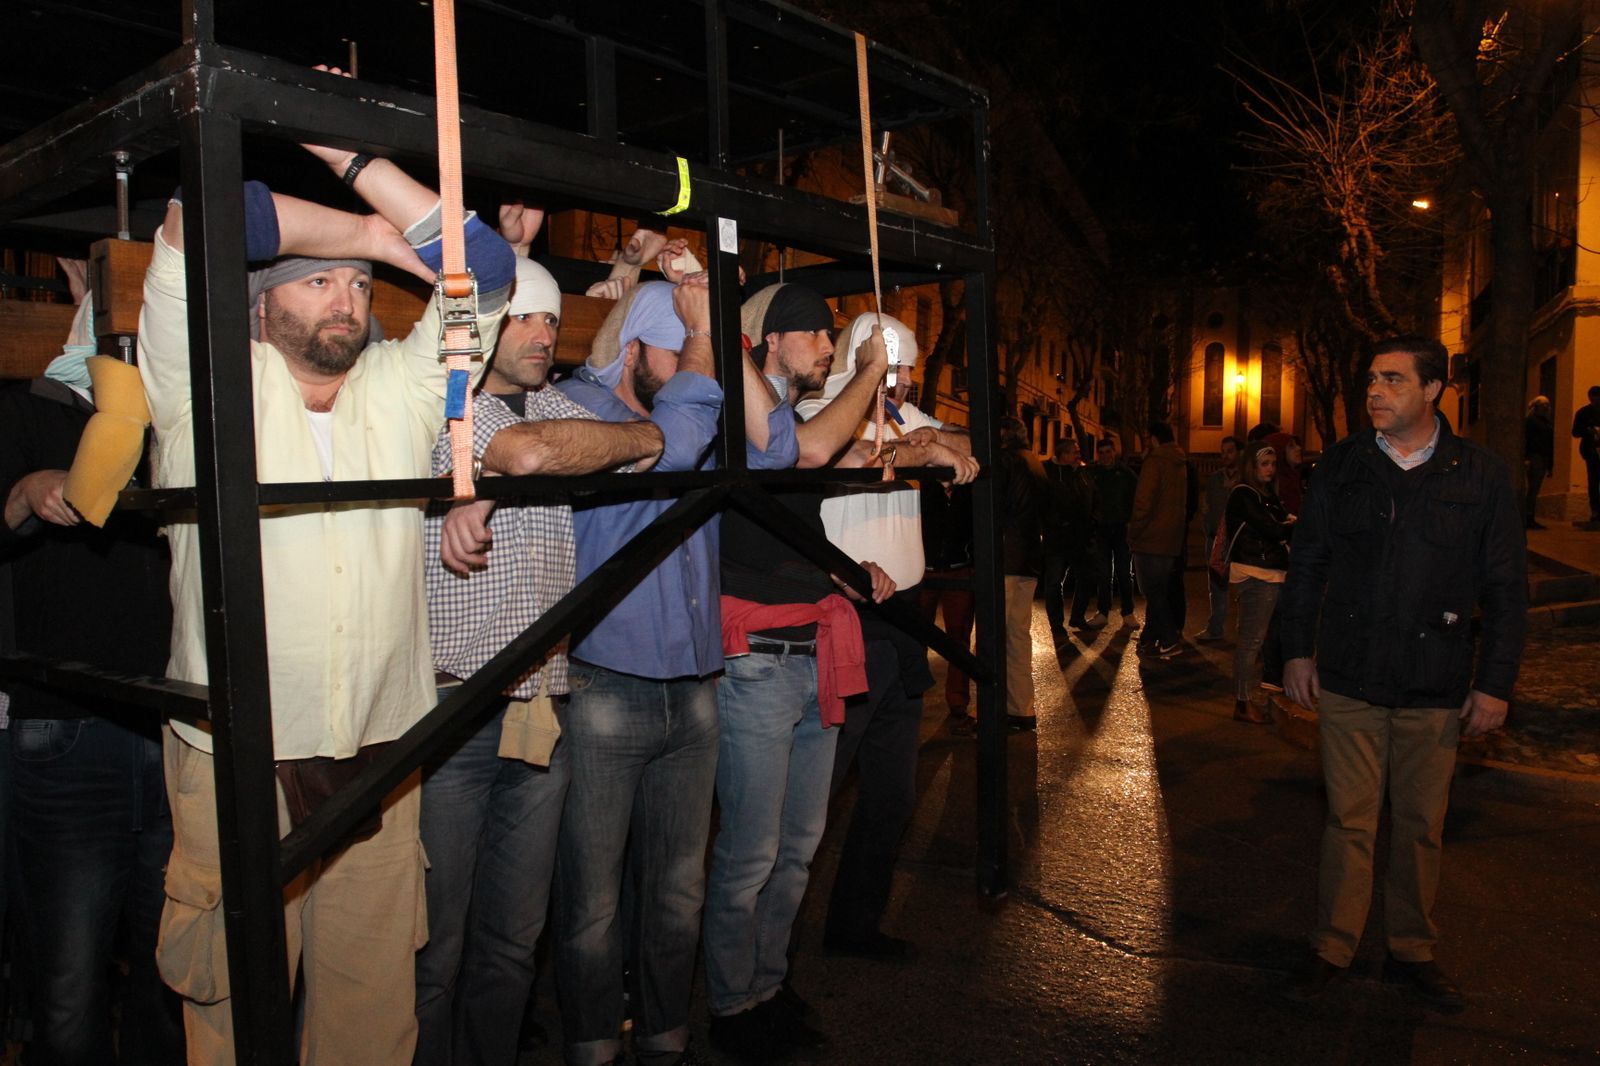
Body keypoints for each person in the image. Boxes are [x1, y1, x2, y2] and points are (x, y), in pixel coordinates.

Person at [138, 137, 517, 1064]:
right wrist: (370, 237)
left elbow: (491, 269)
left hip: (382, 747)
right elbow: (199, 218)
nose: (347, 300)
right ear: (260, 303)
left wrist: (354, 157)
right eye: (317, 284)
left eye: (357, 287)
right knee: (231, 1007)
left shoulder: (400, 386)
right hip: (236, 753)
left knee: (370, 1010)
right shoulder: (204, 382)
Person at [415, 207, 669, 1066]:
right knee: (435, 949)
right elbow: (522, 452)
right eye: (524, 315)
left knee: (512, 943)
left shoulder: (561, 404)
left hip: (543, 706)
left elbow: (644, 442)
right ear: (486, 323)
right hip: (454, 710)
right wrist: (545, 453)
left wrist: (607, 437)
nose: (542, 332)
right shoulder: (441, 411)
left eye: (553, 319)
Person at [551, 275, 797, 1066]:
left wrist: (712, 338)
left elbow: (783, 447)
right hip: (604, 689)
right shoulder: (584, 412)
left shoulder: (691, 404)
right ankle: (591, 1045)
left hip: (695, 689)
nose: (703, 373)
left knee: (676, 892)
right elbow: (680, 443)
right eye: (683, 347)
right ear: (633, 352)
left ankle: (664, 1036)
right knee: (591, 902)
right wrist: (700, 332)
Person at [1281, 336, 1526, 1011]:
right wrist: (1296, 650)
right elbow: (1307, 565)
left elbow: (1506, 587)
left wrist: (1496, 681)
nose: (1374, 392)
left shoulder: (1480, 475)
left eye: (1392, 380)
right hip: (1351, 673)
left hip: (1436, 681)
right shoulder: (1342, 466)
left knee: (1421, 823)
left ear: (1433, 390)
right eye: (1370, 380)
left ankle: (1412, 950)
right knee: (1349, 822)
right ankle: (1331, 947)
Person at [701, 283, 896, 1064]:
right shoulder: (741, 412)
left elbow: (800, 508)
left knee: (796, 847)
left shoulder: (788, 416)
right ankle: (730, 1002)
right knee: (749, 850)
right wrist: (870, 374)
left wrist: (842, 571)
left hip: (810, 652)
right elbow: (809, 451)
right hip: (754, 664)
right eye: (815, 333)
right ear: (770, 343)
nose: (827, 345)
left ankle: (767, 986)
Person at [1, 321, 183, 1064]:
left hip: (176, 724)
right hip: (67, 725)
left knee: (170, 969)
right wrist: (26, 490)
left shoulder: (180, 413)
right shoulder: (25, 409)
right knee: (71, 978)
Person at [796, 310, 977, 962]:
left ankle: (854, 925)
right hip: (844, 620)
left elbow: (960, 433)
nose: (900, 386)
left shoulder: (903, 414)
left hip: (900, 622)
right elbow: (833, 451)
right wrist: (922, 449)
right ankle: (771, 951)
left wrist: (931, 440)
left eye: (908, 374)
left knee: (891, 797)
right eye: (891, 371)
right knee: (813, 799)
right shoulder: (822, 406)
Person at [1223, 440, 1293, 723]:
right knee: (1251, 641)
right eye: (1264, 464)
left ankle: (1255, 694)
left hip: (1270, 573)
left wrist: (1285, 525)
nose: (1270, 469)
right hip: (1255, 575)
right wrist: (1287, 526)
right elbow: (1273, 529)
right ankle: (1242, 702)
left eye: (1273, 464)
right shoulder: (1243, 494)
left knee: (1264, 638)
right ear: (1251, 467)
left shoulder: (1266, 495)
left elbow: (1280, 524)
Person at [994, 417, 1049, 728]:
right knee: (1017, 635)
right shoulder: (1035, 463)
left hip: (1005, 560)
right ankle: (1022, 708)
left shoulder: (1006, 462)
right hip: (1029, 559)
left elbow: (998, 508)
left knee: (993, 637)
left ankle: (991, 710)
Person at [1127, 422, 1188, 658]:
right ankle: (1148, 639)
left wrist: (1133, 531)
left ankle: (1170, 640)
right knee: (1158, 591)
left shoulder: (1155, 462)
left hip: (1150, 538)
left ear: (1153, 439)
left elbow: (1143, 502)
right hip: (1170, 538)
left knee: (1151, 591)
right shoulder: (1179, 462)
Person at [919, 479, 975, 731]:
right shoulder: (921, 486)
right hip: (923, 571)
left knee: (959, 639)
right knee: (915, 636)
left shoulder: (968, 488)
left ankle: (958, 702)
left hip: (959, 570)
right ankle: (910, 697)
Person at [1040, 438, 1099, 635]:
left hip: (1079, 535)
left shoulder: (1079, 472)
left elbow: (1088, 497)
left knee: (1086, 577)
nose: (1078, 455)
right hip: (1057, 536)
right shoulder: (1047, 472)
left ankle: (1077, 617)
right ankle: (1056, 625)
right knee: (1054, 581)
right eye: (1074, 451)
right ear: (1063, 454)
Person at [1196, 436, 1241, 643]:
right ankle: (1215, 628)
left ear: (1238, 453)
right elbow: (1206, 506)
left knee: (1243, 588)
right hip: (1215, 539)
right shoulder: (1214, 479)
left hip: (1238, 540)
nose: (1225, 456)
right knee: (1216, 586)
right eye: (1223, 452)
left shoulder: (1244, 479)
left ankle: (1245, 633)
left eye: (1230, 451)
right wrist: (1208, 528)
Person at [1089, 438, 1137, 619]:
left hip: (1121, 529)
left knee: (1124, 572)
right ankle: (1103, 611)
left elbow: (1135, 499)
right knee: (1103, 573)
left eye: (1108, 452)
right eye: (1101, 453)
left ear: (1114, 452)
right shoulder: (1093, 473)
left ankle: (1128, 612)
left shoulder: (1126, 474)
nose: (1105, 456)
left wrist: (1131, 522)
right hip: (1101, 529)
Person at [1569, 385, 1599, 525]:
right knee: (1593, 481)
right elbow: (1575, 432)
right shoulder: (1583, 413)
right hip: (1591, 451)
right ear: (1591, 398)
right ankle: (1595, 512)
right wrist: (1588, 430)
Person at [1523, 395, 1553, 530]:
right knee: (1533, 489)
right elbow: (1527, 440)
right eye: (1544, 405)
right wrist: (1526, 457)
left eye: (1547, 405)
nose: (1546, 408)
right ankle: (1528, 517)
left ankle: (1529, 516)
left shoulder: (1545, 422)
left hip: (1542, 457)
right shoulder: (1531, 421)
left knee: (1534, 489)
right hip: (1535, 457)